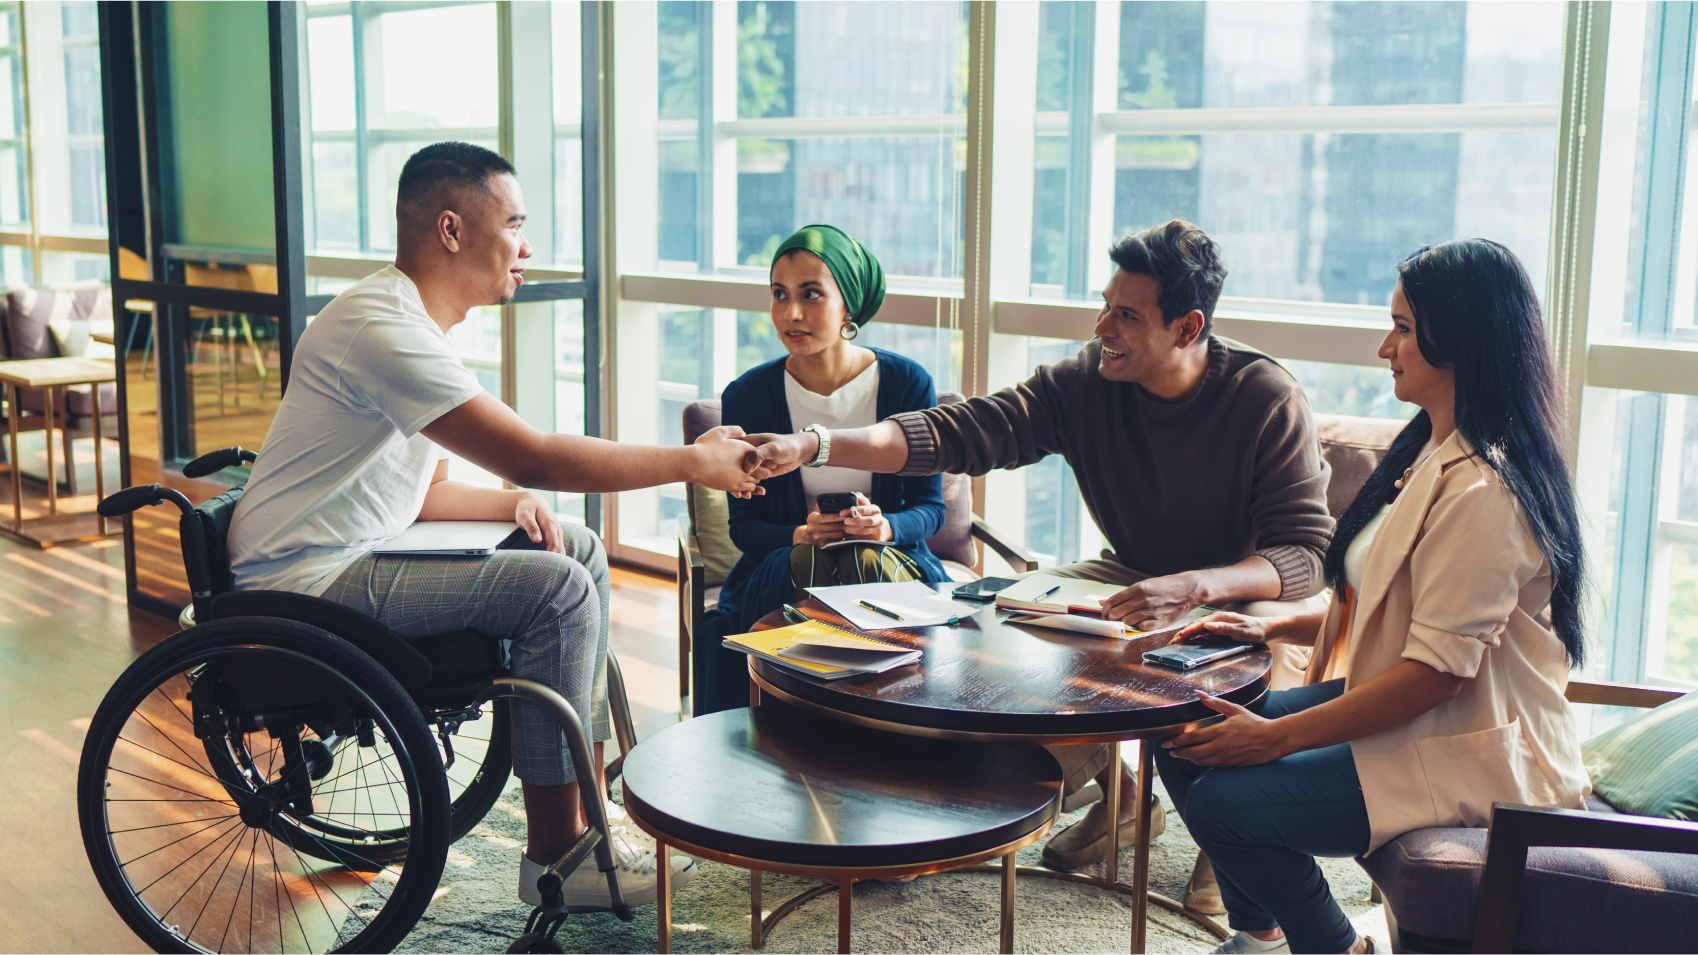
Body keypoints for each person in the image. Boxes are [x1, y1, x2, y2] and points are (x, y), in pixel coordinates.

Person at [227, 142, 764, 909]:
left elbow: (421, 492)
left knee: (572, 543)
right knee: (557, 595)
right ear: (451, 230)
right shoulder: (383, 329)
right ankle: (557, 854)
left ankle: (592, 811)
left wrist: (508, 503)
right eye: (514, 223)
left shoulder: (410, 321)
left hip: (345, 549)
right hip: (304, 579)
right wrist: (692, 461)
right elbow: (537, 455)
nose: (528, 246)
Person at [744, 220, 1335, 886]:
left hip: (1248, 582)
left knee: (1265, 653)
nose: (1101, 326)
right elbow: (959, 432)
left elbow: (1305, 556)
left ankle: (1231, 847)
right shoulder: (1086, 382)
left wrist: (1198, 586)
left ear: (1188, 328)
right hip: (1132, 566)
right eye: (1106, 304)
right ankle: (1120, 798)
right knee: (1008, 609)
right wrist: (817, 444)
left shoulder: (1265, 397)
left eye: (1126, 314)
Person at [1153, 238, 1590, 955]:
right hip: (1428, 708)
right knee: (1185, 729)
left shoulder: (1487, 490)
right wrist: (1272, 628)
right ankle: (1258, 936)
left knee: (1227, 803)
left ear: (1462, 338)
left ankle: (1332, 946)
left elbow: (1437, 674)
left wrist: (1275, 737)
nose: (1386, 347)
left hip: (1471, 743)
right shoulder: (1432, 453)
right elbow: (1395, 601)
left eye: (1405, 329)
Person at [692, 224, 949, 716]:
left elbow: (931, 510)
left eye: (812, 295)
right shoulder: (748, 395)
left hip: (893, 561)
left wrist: (887, 527)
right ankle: (857, 728)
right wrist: (799, 534)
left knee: (862, 563)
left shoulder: (906, 383)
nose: (791, 313)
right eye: (779, 295)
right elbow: (745, 530)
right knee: (809, 565)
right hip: (784, 567)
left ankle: (829, 728)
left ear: (848, 303)